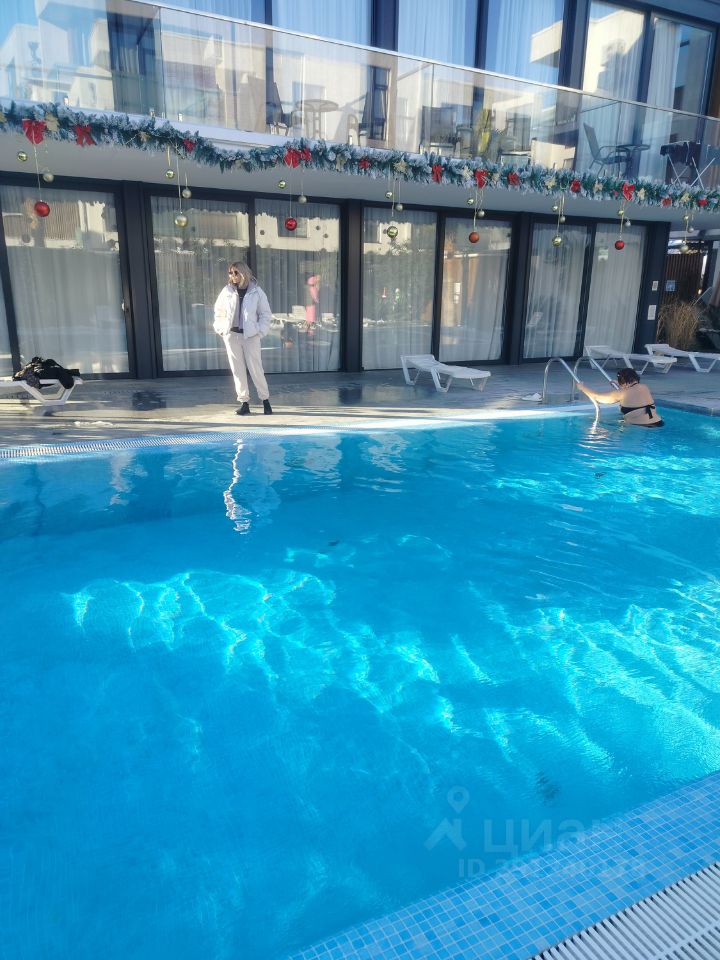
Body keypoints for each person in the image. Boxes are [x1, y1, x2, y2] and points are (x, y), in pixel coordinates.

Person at [213, 261, 273, 415]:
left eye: (235, 272)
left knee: (256, 369)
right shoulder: (227, 291)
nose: (232, 276)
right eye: (230, 273)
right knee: (237, 370)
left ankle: (265, 400)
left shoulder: (256, 292)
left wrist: (259, 331)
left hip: (250, 336)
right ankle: (244, 402)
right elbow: (219, 312)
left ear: (243, 273)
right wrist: (221, 329)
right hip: (232, 335)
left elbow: (265, 314)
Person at [578, 367, 664, 428]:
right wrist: (620, 384)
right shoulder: (644, 387)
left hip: (639, 427)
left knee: (601, 428)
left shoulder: (621, 393)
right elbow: (631, 391)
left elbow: (596, 397)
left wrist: (582, 388)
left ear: (623, 382)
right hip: (658, 423)